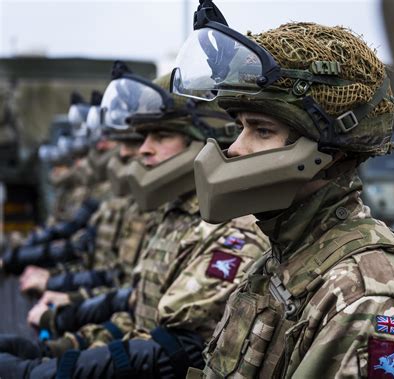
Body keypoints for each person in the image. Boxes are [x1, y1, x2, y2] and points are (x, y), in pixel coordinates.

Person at [169, 2, 394, 377]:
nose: (235, 147)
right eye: (240, 126)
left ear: (328, 153)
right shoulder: (290, 254)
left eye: (261, 130)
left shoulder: (368, 298)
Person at [0, 71, 268, 378]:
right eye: (143, 137)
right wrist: (61, 349)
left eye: (162, 136)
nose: (141, 150)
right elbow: (139, 315)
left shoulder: (234, 231)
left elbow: (172, 348)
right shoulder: (172, 215)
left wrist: (45, 370)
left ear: (210, 141)